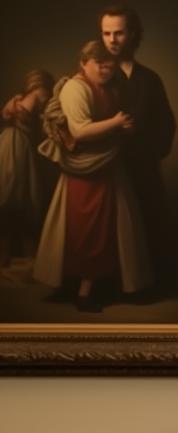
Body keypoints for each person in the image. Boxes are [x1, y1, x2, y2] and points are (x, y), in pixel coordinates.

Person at [33, 40, 152, 311]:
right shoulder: (75, 88)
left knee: (106, 230)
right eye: (100, 64)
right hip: (82, 169)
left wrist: (126, 127)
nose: (106, 69)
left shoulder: (112, 87)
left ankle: (90, 288)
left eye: (110, 64)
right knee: (78, 228)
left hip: (107, 168)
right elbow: (80, 131)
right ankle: (72, 285)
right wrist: (117, 123)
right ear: (84, 64)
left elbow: (124, 122)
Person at [100, 6, 175, 293]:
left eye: (118, 33)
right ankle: (105, 286)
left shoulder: (150, 79)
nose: (112, 40)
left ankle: (145, 286)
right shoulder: (96, 75)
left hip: (142, 167)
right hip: (105, 166)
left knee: (148, 222)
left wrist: (145, 145)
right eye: (106, 33)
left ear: (132, 34)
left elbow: (167, 124)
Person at [0, 70, 55, 268]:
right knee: (17, 196)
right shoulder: (34, 98)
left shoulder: (18, 100)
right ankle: (16, 257)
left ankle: (13, 257)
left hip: (11, 144)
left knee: (17, 198)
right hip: (16, 146)